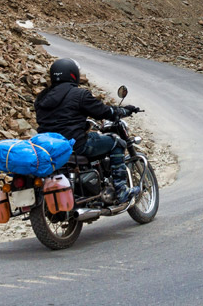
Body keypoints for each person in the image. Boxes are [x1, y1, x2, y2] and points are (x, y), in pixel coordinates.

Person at [34, 58, 140, 204]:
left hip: (48, 147)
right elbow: (103, 111)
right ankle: (121, 190)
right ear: (73, 74)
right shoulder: (79, 94)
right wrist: (123, 110)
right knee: (117, 142)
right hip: (76, 144)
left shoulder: (41, 98)